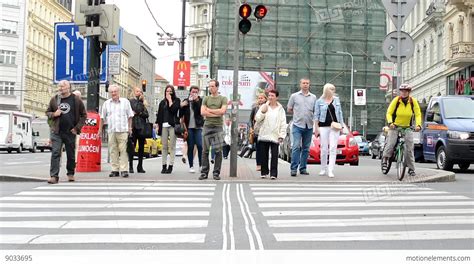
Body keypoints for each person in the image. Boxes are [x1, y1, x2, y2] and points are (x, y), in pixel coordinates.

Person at [45, 80, 86, 184]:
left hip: (70, 131)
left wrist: (77, 128)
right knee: (55, 153)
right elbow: (47, 112)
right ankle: (54, 176)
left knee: (71, 154)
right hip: (57, 131)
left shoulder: (76, 100)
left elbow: (84, 115)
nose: (61, 88)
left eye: (63, 86)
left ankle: (70, 173)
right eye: (60, 86)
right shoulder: (55, 99)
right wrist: (54, 114)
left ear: (69, 87)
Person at [382, 83, 422, 177]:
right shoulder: (396, 101)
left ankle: (411, 169)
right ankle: (385, 159)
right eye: (402, 91)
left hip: (407, 127)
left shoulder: (413, 101)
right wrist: (390, 123)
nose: (404, 93)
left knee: (409, 148)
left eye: (406, 91)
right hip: (395, 126)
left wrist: (418, 125)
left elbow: (418, 114)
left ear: (409, 92)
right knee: (391, 143)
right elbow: (389, 113)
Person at [99, 84, 134, 178]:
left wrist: (130, 128)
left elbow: (130, 116)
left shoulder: (125, 102)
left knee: (123, 150)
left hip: (123, 130)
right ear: (109, 93)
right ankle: (115, 170)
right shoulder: (106, 103)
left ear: (119, 92)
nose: (113, 93)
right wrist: (99, 130)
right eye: (112, 92)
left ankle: (124, 170)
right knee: (113, 150)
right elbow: (102, 118)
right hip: (111, 130)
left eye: (115, 91)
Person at [313, 83, 344, 178]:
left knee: (333, 148)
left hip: (334, 126)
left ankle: (331, 170)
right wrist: (316, 128)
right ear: (326, 90)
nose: (333, 91)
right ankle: (323, 168)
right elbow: (316, 116)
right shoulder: (319, 101)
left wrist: (341, 126)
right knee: (324, 148)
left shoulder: (337, 100)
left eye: (334, 89)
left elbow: (340, 113)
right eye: (331, 89)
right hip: (323, 126)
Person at [288, 78, 317, 176]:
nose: (305, 85)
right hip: (297, 125)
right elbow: (289, 109)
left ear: (309, 85)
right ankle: (293, 169)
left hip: (309, 125)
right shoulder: (294, 96)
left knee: (306, 148)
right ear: (300, 84)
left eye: (307, 83)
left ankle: (303, 168)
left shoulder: (313, 97)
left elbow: (315, 111)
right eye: (304, 83)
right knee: (296, 146)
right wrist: (298, 114)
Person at [255, 89, 287, 179]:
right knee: (264, 155)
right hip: (264, 134)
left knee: (274, 156)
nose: (270, 97)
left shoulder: (280, 109)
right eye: (269, 95)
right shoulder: (264, 106)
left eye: (272, 96)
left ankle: (273, 173)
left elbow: (283, 123)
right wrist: (262, 112)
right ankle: (264, 172)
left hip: (275, 135)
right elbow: (257, 119)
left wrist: (282, 135)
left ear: (277, 97)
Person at [200, 80, 228, 180]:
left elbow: (223, 111)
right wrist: (216, 113)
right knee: (205, 151)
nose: (210, 88)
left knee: (218, 151)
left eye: (212, 86)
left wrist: (209, 110)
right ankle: (204, 172)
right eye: (209, 86)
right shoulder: (206, 98)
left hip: (218, 127)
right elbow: (203, 112)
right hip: (207, 126)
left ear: (217, 87)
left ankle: (216, 173)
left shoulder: (223, 99)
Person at [156, 85, 181, 174]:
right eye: (167, 91)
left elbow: (174, 110)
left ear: (173, 92)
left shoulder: (176, 101)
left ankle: (171, 165)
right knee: (164, 146)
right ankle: (164, 165)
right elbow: (159, 115)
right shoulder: (162, 102)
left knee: (172, 146)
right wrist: (158, 125)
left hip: (172, 125)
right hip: (164, 125)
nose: (168, 93)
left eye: (170, 91)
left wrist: (170, 100)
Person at [180, 85, 204, 173]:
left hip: (198, 127)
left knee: (200, 145)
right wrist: (182, 106)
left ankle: (201, 165)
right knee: (190, 146)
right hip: (189, 127)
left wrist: (196, 101)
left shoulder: (201, 101)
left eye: (196, 92)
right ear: (190, 92)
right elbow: (180, 115)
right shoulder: (186, 101)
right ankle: (191, 165)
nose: (194, 93)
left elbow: (200, 112)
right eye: (193, 92)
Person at [128, 87, 149, 174]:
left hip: (142, 127)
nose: (139, 93)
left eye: (140, 91)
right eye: (137, 91)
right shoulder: (131, 101)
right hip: (133, 127)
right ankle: (131, 166)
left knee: (141, 148)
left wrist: (139, 113)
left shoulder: (143, 102)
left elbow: (146, 114)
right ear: (134, 92)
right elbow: (136, 109)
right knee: (131, 148)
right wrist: (139, 110)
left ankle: (140, 166)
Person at [249, 93, 268, 170]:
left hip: (266, 130)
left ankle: (265, 165)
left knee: (265, 148)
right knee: (258, 148)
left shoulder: (268, 107)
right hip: (257, 130)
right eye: (259, 98)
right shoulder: (255, 108)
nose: (260, 99)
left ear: (265, 99)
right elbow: (250, 119)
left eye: (262, 98)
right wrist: (251, 128)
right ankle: (258, 164)